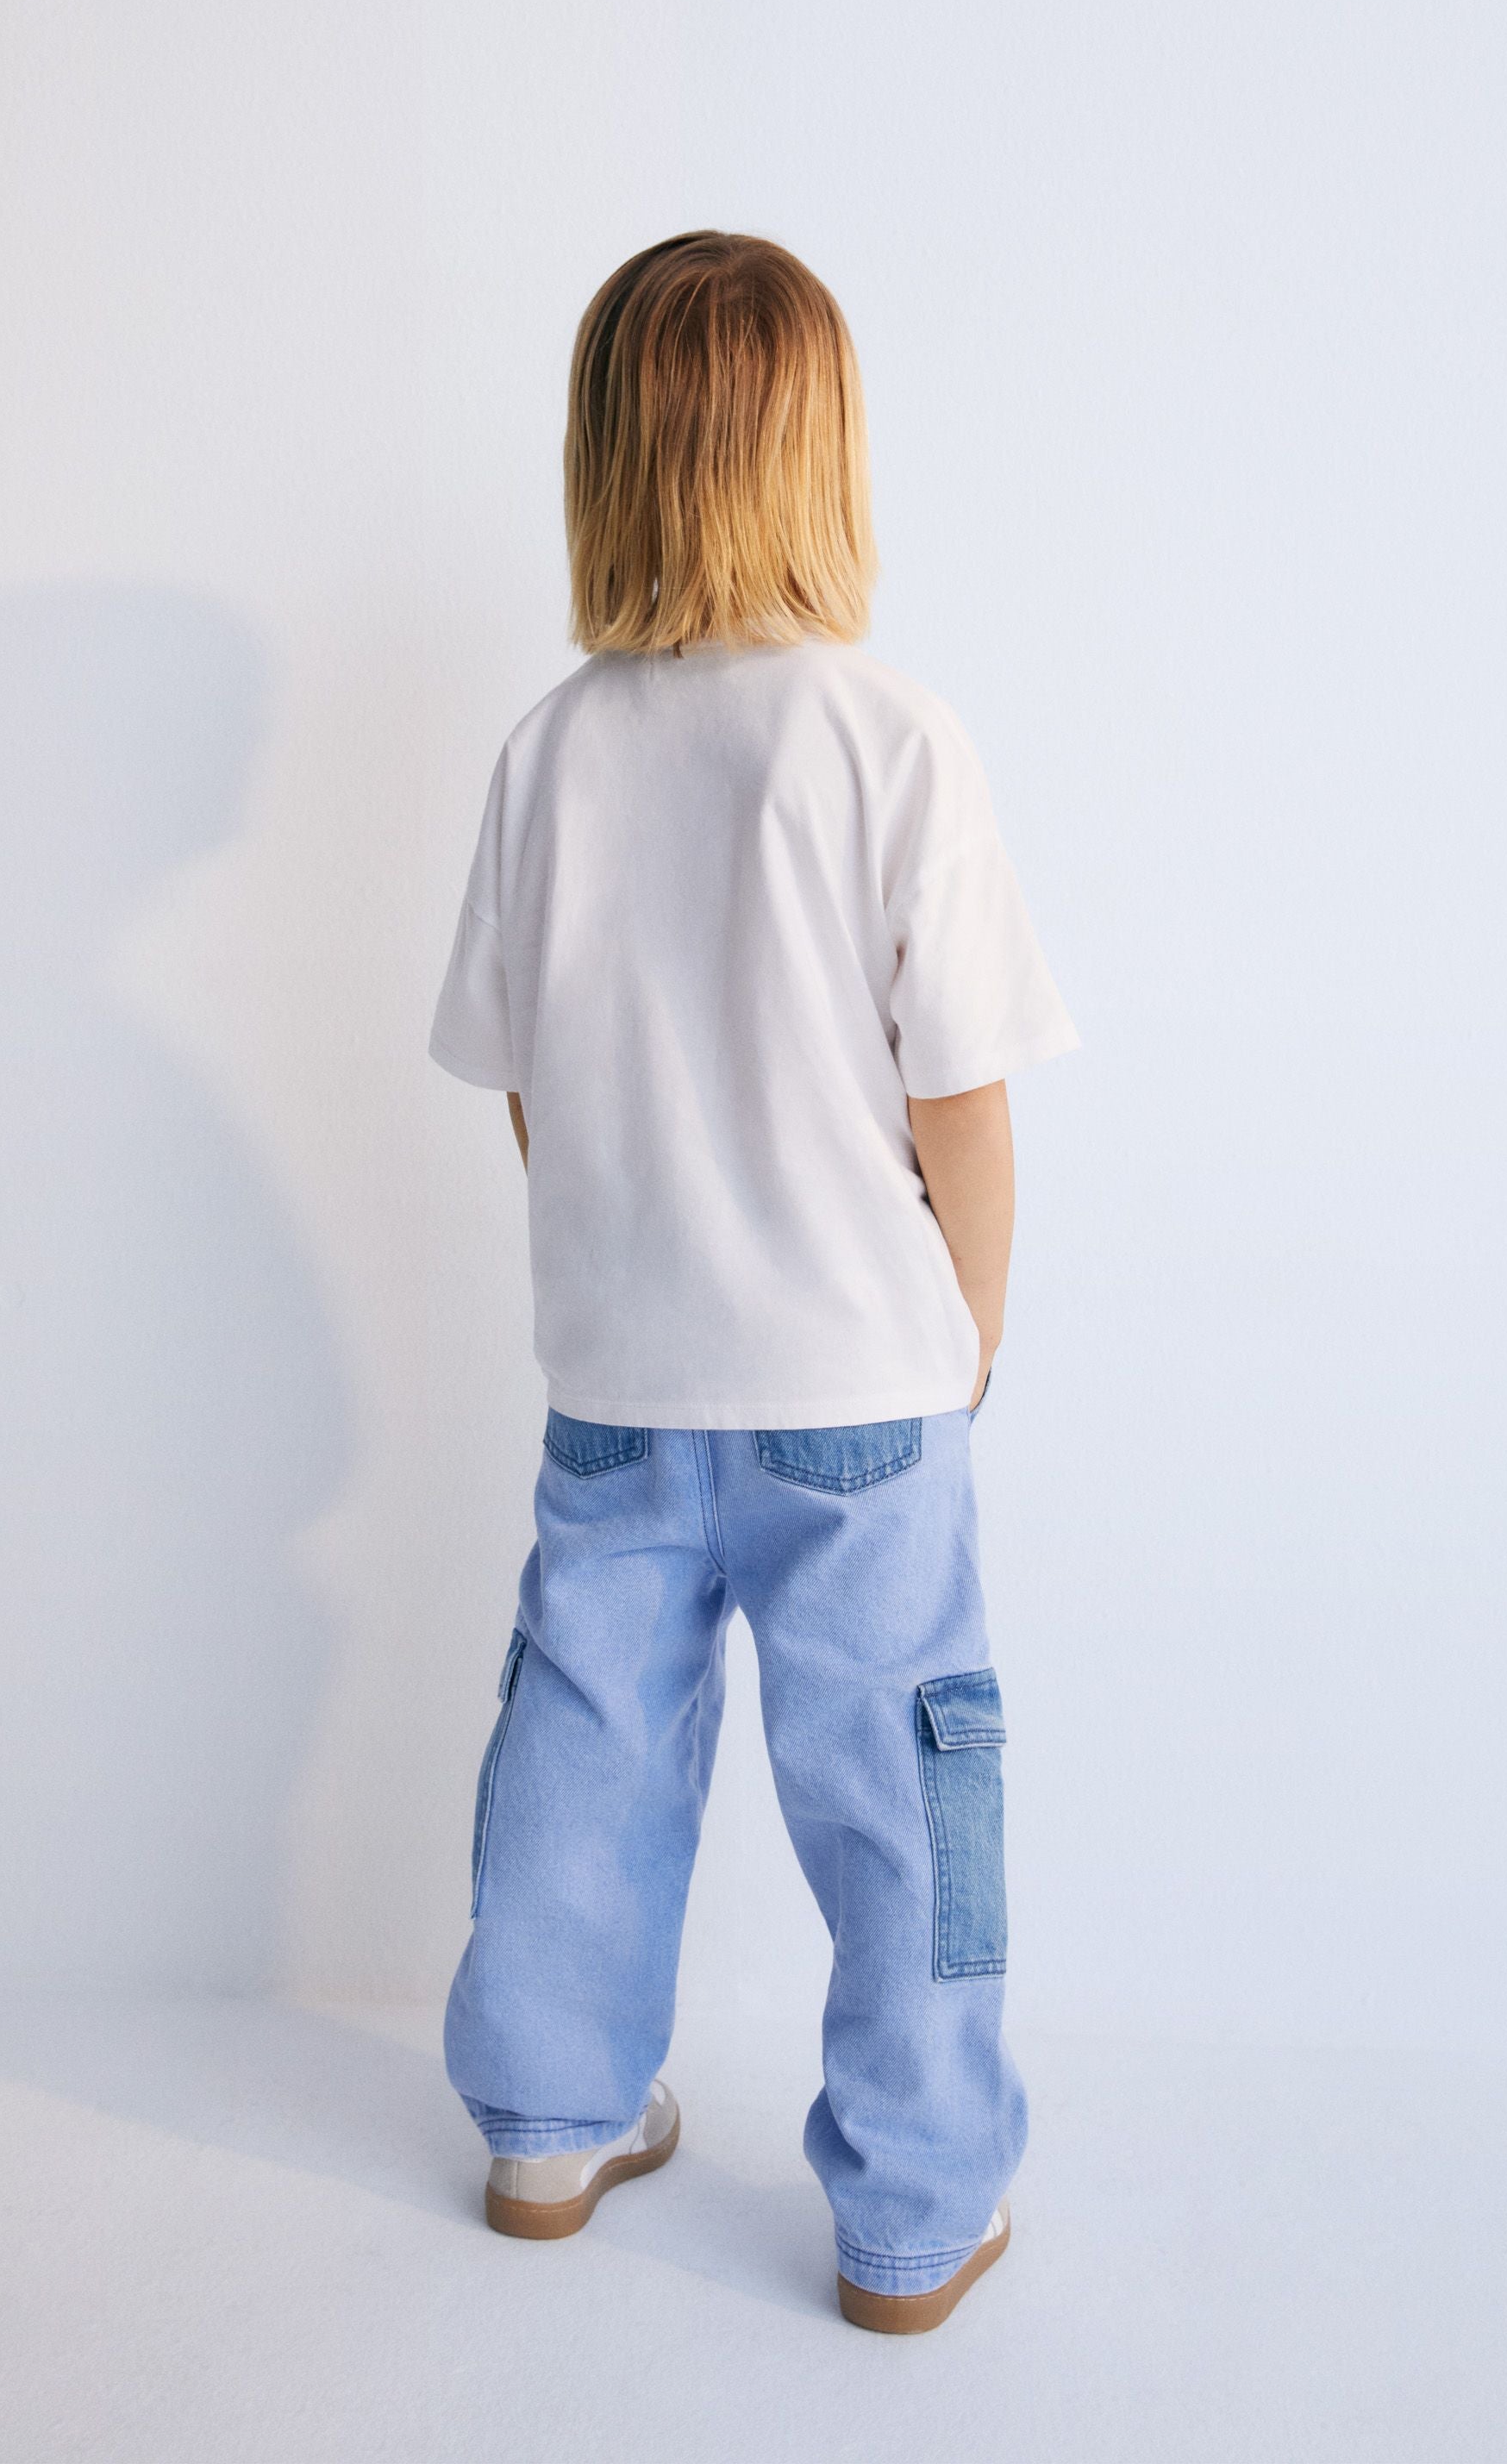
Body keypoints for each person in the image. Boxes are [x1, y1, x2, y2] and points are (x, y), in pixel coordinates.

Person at [428, 230, 1079, 2333]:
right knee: (903, 1793)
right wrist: (969, 1332)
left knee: (581, 1750)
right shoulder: (890, 739)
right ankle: (917, 2212)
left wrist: (628, 1261)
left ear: (602, 459)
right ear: (824, 457)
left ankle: (546, 2126)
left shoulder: (547, 752)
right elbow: (959, 1097)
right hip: (857, 1389)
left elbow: (526, 1083)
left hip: (621, 1383)